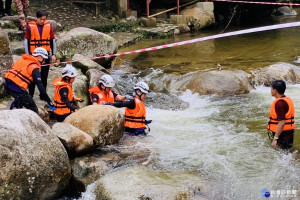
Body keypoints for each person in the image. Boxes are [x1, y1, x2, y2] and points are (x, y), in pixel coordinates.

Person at [4, 47, 54, 114]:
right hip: (16, 88)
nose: (44, 61)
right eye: (44, 59)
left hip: (7, 84)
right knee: (34, 110)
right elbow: (40, 85)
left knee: (20, 102)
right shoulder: (34, 67)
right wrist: (48, 101)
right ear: (39, 57)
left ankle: (15, 108)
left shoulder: (23, 59)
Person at [25, 10, 56, 99]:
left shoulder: (48, 26)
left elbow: (52, 41)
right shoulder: (30, 27)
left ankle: (43, 94)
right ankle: (30, 94)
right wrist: (28, 55)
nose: (43, 21)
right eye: (41, 19)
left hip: (45, 55)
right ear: (37, 18)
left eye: (44, 19)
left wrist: (53, 54)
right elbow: (26, 41)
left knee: (44, 76)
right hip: (33, 56)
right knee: (32, 76)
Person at [268, 80, 295, 149]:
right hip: (287, 134)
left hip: (282, 135)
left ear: (275, 90)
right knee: (287, 153)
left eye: (271, 88)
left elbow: (282, 122)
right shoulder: (286, 100)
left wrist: (275, 139)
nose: (270, 90)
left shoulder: (280, 104)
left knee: (283, 154)